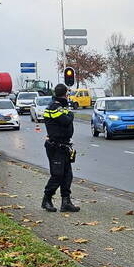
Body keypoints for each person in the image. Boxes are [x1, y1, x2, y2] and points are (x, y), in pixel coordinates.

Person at [42, 84, 79, 213]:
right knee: (57, 174)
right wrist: (69, 114)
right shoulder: (53, 107)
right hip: (55, 146)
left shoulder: (61, 107)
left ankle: (66, 202)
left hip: (64, 146)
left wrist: (68, 113)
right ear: (65, 94)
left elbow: (67, 118)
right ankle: (46, 199)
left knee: (67, 175)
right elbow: (66, 120)